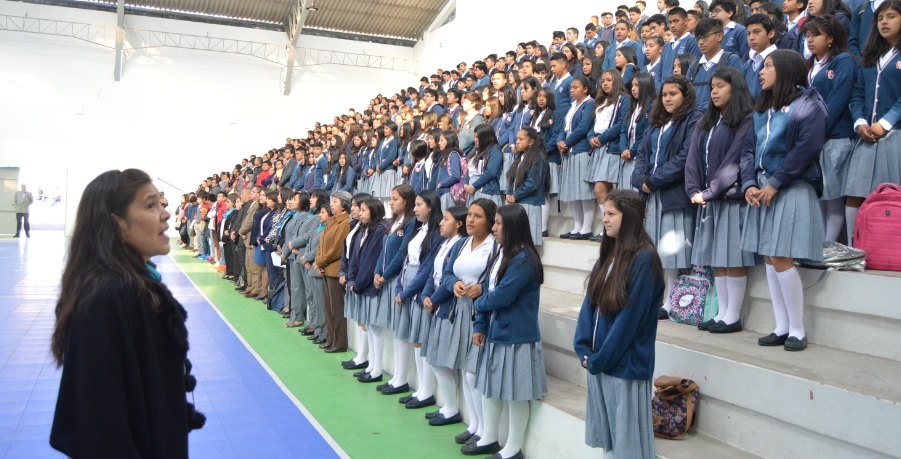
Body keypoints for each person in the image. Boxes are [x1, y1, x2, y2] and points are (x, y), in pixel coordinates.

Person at [50, 169, 205, 458]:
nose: (165, 214)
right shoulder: (107, 297)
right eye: (150, 205)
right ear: (117, 225)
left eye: (161, 203)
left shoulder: (137, 287)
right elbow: (99, 427)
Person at [740, 50, 827, 352]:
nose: (761, 72)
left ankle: (798, 330)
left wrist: (775, 183)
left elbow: (807, 148)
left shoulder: (809, 104)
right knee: (768, 256)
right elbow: (748, 150)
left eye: (768, 66)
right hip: (764, 186)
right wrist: (750, 183)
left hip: (791, 185)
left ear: (787, 70)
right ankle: (781, 325)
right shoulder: (762, 109)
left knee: (781, 257)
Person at [573, 189, 664, 459]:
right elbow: (590, 305)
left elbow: (629, 322)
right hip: (601, 362)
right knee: (610, 441)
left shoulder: (644, 258)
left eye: (611, 214)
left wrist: (601, 359)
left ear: (631, 217)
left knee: (628, 445)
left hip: (625, 365)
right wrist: (583, 349)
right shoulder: (610, 253)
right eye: (604, 214)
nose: (605, 219)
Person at [468, 204, 547, 459]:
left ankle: (513, 448)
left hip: (516, 337)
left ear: (513, 226)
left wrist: (477, 303)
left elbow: (501, 296)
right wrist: (480, 324)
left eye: (499, 223)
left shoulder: (524, 259)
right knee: (490, 388)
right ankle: (489, 437)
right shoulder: (501, 253)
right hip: (496, 332)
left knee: (515, 395)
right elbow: (486, 288)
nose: (494, 228)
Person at [685, 66, 758, 334]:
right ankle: (722, 313)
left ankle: (733, 315)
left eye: (720, 86)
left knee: (732, 259)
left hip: (730, 198)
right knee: (718, 259)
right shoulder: (709, 120)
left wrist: (709, 191)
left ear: (735, 87)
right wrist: (694, 188)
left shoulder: (746, 119)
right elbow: (693, 156)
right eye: (712, 87)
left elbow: (734, 162)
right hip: (709, 198)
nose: (714, 91)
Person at [631, 75, 703, 317]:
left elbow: (685, 156)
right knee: (654, 250)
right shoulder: (656, 120)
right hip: (650, 193)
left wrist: (654, 180)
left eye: (673, 94)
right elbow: (642, 153)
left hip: (673, 193)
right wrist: (640, 180)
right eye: (664, 94)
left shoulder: (694, 118)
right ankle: (657, 298)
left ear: (686, 95)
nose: (668, 98)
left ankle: (672, 301)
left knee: (672, 252)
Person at [431, 200, 497, 443]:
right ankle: (475, 424)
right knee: (464, 369)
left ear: (490, 221)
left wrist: (482, 288)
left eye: (477, 216)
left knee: (473, 373)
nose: (470, 220)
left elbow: (496, 276)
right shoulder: (461, 243)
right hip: (459, 309)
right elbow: (448, 274)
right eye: (469, 215)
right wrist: (454, 284)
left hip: (481, 312)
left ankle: (484, 429)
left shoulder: (495, 246)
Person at [844, 0, 901, 245]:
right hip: (866, 135)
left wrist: (885, 123)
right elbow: (857, 93)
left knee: (891, 196)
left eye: (891, 17)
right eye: (880, 18)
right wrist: (859, 122)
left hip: (895, 135)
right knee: (855, 195)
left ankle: (888, 249)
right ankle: (853, 247)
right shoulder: (871, 55)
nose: (884, 22)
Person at [801, 16, 855, 243]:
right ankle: (821, 245)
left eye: (816, 35)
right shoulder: (810, 65)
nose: (810, 40)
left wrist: (817, 132)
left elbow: (837, 100)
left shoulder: (842, 61)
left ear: (831, 38)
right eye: (807, 36)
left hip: (835, 136)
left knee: (833, 195)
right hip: (815, 138)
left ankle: (830, 247)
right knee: (820, 196)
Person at [394, 190, 444, 409]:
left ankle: (427, 391)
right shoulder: (419, 228)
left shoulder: (436, 234)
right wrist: (400, 285)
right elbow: (406, 259)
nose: (414, 209)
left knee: (422, 339)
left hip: (420, 286)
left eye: (419, 205)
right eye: (414, 205)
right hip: (409, 280)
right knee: (414, 338)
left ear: (430, 207)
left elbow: (426, 268)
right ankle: (421, 389)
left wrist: (407, 292)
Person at [422, 206, 468, 430]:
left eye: (446, 219)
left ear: (459, 223)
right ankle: (448, 406)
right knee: (436, 359)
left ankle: (452, 408)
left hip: (447, 305)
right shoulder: (443, 243)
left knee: (441, 360)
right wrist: (426, 295)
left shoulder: (460, 245)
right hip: (436, 303)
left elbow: (452, 278)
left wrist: (435, 299)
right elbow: (433, 273)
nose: (441, 223)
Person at [373, 185, 417, 394]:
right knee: (395, 330)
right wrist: (376, 272)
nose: (390, 202)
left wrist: (386, 275)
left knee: (401, 331)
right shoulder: (393, 223)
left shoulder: (410, 223)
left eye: (394, 199)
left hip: (397, 279)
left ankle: (402, 379)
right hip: (385, 279)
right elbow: (384, 250)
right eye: (390, 199)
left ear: (406, 201)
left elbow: (402, 253)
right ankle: (397, 377)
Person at [588, 70, 631, 242]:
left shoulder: (623, 99)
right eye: (603, 80)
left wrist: (602, 137)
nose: (605, 83)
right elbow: (593, 124)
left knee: (603, 188)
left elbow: (622, 123)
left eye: (609, 80)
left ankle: (613, 226)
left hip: (610, 147)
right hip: (598, 147)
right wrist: (591, 137)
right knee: (600, 190)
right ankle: (608, 225)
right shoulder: (601, 101)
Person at [556, 75, 597, 240]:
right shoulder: (572, 106)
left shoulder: (590, 104)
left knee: (584, 190)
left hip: (580, 150)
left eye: (575, 87)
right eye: (571, 88)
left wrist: (566, 142)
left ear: (585, 89)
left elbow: (583, 127)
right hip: (569, 151)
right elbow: (564, 127)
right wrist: (560, 141)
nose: (571, 90)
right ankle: (577, 226)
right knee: (574, 190)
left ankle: (586, 228)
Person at [315, 191, 352, 353]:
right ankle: (331, 339)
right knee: (328, 308)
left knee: (337, 309)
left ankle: (340, 342)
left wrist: (321, 261)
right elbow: (321, 244)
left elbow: (337, 249)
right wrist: (318, 260)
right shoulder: (331, 222)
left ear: (344, 205)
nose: (332, 204)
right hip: (325, 269)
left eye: (335, 201)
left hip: (334, 270)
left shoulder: (344, 223)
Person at [506, 128, 551, 246]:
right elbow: (511, 177)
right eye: (516, 139)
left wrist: (515, 196)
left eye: (521, 139)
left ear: (531, 142)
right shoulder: (520, 156)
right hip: (516, 203)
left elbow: (532, 183)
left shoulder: (538, 157)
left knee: (526, 243)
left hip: (529, 204)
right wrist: (508, 193)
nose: (517, 142)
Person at [620, 72, 656, 192]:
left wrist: (632, 151)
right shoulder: (633, 108)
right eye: (632, 86)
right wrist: (624, 149)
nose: (633, 89)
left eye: (637, 85)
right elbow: (623, 131)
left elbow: (645, 134)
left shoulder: (652, 107)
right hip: (627, 155)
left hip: (639, 155)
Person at [464, 124, 504, 207]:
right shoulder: (476, 150)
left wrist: (474, 186)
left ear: (485, 137)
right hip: (472, 191)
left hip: (485, 191)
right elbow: (469, 170)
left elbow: (491, 172)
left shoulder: (494, 150)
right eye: (474, 136)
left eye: (477, 137)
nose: (475, 140)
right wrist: (466, 184)